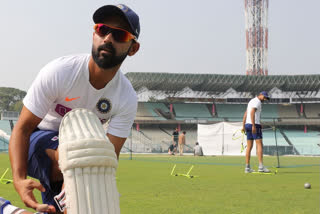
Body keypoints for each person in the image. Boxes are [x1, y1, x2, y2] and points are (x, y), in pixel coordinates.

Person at [8, 4, 140, 213]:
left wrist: (80, 190)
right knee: (77, 149)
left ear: (133, 48)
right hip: (37, 140)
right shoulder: (60, 72)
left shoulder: (126, 97)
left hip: (75, 154)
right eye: (102, 29)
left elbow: (108, 156)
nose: (107, 38)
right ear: (94, 33)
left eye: (120, 35)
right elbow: (22, 128)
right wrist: (19, 179)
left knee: (75, 201)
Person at [241, 91, 270, 173]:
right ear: (260, 95)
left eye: (266, 98)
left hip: (248, 125)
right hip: (253, 125)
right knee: (259, 144)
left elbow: (246, 114)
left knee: (249, 147)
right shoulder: (257, 102)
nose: (265, 99)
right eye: (264, 97)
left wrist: (243, 126)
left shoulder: (251, 101)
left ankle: (247, 168)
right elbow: (252, 112)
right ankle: (261, 167)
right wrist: (254, 125)